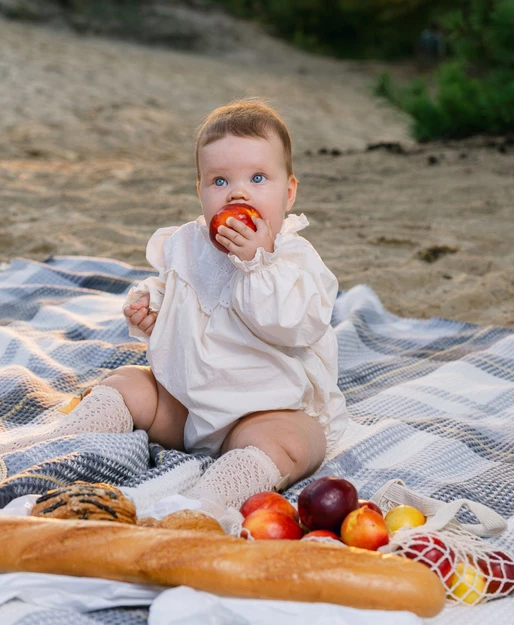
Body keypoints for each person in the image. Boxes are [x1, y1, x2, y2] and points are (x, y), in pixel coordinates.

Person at [64, 100, 348, 510]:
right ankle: (67, 444)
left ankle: (206, 500)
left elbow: (295, 324)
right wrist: (152, 308)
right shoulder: (188, 244)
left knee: (290, 442)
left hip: (263, 409)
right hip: (187, 408)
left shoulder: (294, 261)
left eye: (258, 177)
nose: (238, 191)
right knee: (128, 382)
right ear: (199, 191)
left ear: (288, 193)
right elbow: (172, 286)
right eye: (219, 181)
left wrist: (256, 265)